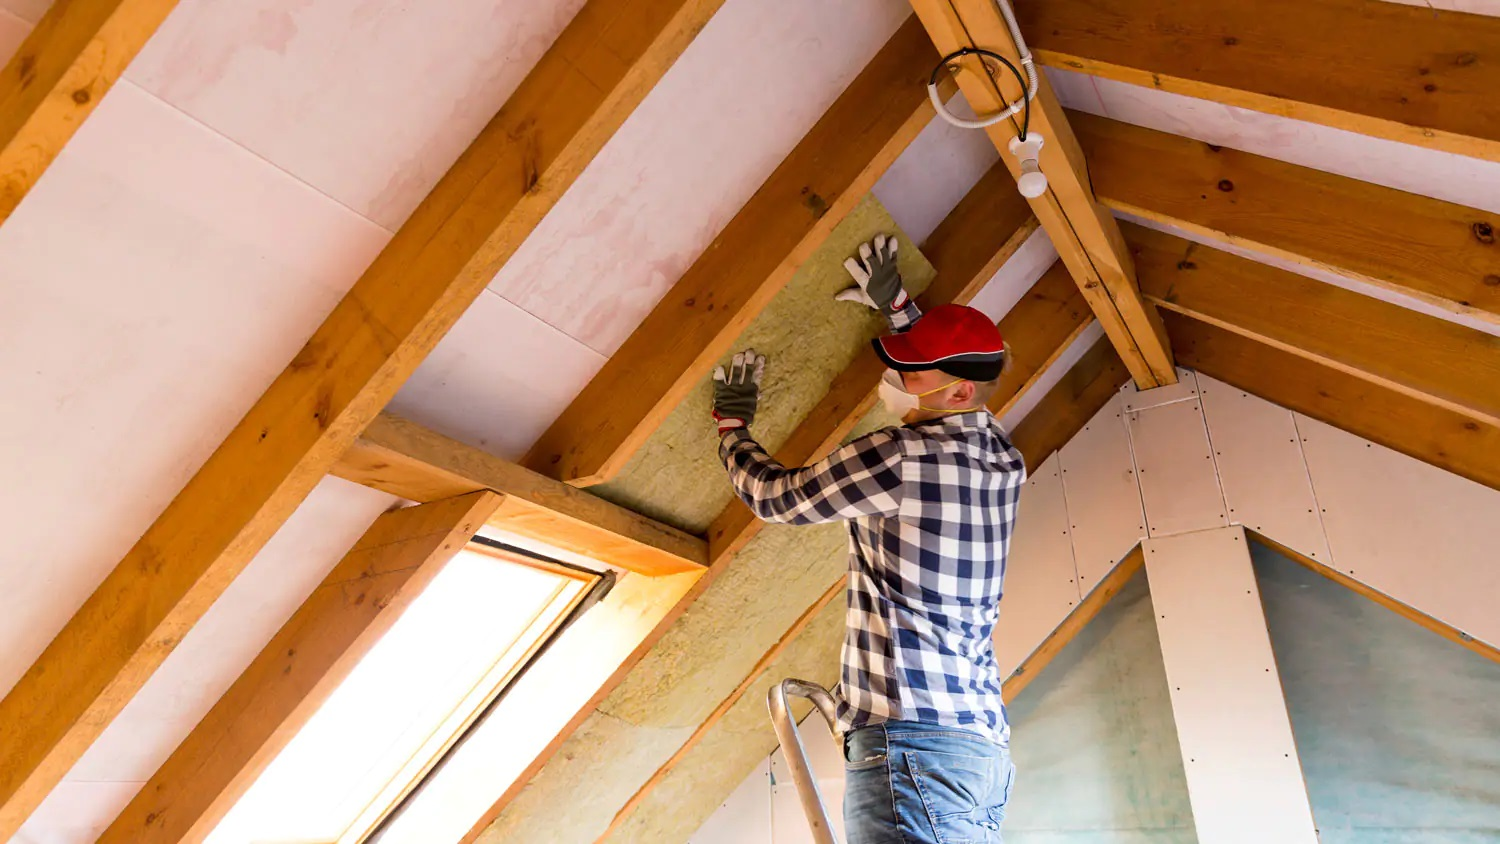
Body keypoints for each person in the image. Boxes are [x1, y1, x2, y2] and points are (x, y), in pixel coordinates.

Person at [711, 234, 1025, 843]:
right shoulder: (1002, 457)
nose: (894, 376)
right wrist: (901, 311)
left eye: (911, 369)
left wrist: (732, 428)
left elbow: (776, 498)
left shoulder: (902, 458)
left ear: (957, 391)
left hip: (912, 748)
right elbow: (958, 373)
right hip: (977, 752)